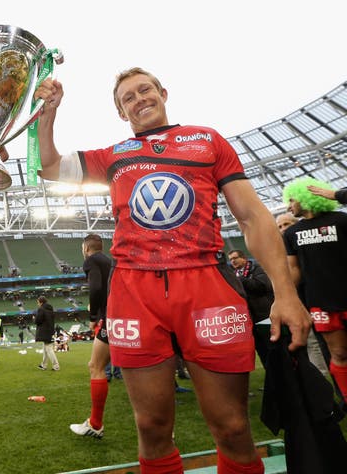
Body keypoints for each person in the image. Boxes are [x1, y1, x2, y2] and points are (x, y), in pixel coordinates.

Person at [34, 67, 310, 473]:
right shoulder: (114, 156)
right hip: (134, 292)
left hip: (206, 285)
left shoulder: (207, 140)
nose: (138, 99)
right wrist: (48, 114)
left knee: (233, 427)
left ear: (163, 92)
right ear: (120, 111)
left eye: (145, 90)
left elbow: (253, 216)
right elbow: (51, 166)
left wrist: (286, 293)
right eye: (127, 97)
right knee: (151, 426)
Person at [283, 177, 347, 402]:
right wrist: (283, 297)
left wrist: (338, 195)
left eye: (292, 200)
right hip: (320, 302)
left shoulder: (342, 220)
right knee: (338, 353)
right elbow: (294, 270)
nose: (289, 206)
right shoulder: (291, 234)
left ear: (304, 197)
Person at [275, 212, 330, 377]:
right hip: (301, 302)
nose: (284, 229)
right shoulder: (279, 252)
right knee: (312, 341)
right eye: (280, 226)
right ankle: (320, 377)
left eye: (287, 224)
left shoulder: (315, 244)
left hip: (324, 298)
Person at [69, 234, 112, 439]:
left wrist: (93, 315)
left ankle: (95, 424)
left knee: (96, 367)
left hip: (111, 317)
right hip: (123, 315)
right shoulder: (109, 260)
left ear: (86, 248)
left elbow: (95, 287)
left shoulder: (91, 260)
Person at [227, 250, 274, 367]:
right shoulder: (235, 274)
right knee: (261, 349)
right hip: (249, 318)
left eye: (235, 258)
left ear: (244, 258)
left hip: (265, 315)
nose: (233, 261)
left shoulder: (256, 268)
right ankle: (271, 380)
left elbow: (262, 286)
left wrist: (240, 279)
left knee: (272, 346)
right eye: (231, 259)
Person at [35, 296, 59, 371]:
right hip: (50, 330)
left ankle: (56, 366)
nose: (38, 304)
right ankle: (43, 365)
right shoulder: (50, 309)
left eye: (38, 302)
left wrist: (34, 319)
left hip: (44, 331)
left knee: (48, 349)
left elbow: (38, 321)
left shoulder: (41, 309)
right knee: (45, 348)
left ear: (41, 302)